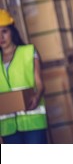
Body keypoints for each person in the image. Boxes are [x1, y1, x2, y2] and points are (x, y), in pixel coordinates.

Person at [0, 9, 48, 143]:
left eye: (4, 31)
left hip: (32, 122)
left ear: (12, 32)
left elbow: (39, 84)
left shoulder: (28, 52)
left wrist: (36, 96)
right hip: (8, 127)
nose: (1, 37)